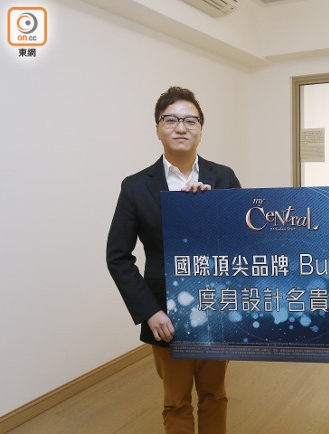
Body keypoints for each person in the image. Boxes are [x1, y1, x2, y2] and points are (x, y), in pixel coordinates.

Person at [106, 86, 241, 434]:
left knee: (214, 395)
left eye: (190, 120)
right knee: (176, 401)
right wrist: (149, 312)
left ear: (200, 129)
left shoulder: (223, 178)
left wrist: (211, 211)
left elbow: (243, 243)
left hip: (216, 306)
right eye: (171, 120)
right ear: (157, 128)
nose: (181, 127)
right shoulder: (135, 187)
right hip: (164, 315)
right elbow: (118, 257)